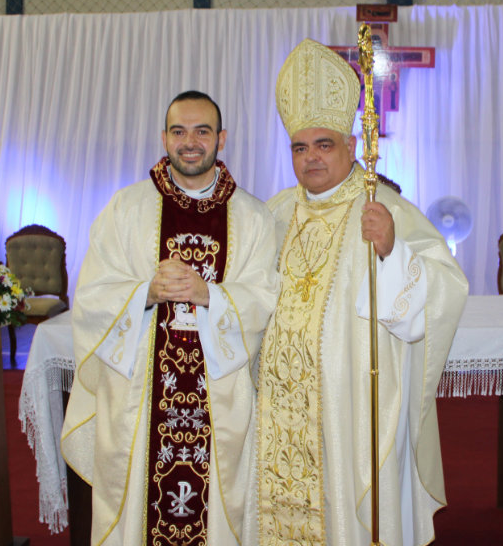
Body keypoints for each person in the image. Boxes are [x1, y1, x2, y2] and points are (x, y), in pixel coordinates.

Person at [245, 39, 469, 546]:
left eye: (323, 145)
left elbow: (446, 288)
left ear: (350, 145)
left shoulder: (382, 206)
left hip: (351, 412)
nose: (311, 159)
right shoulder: (275, 213)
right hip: (279, 406)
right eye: (299, 148)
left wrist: (393, 250)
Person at [61, 90, 279, 545]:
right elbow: (92, 296)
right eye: (179, 131)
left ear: (221, 138)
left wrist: (210, 296)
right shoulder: (126, 209)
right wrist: (144, 293)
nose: (190, 142)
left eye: (202, 131)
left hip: (217, 400)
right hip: (142, 397)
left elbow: (264, 300)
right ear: (164, 137)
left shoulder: (253, 217)